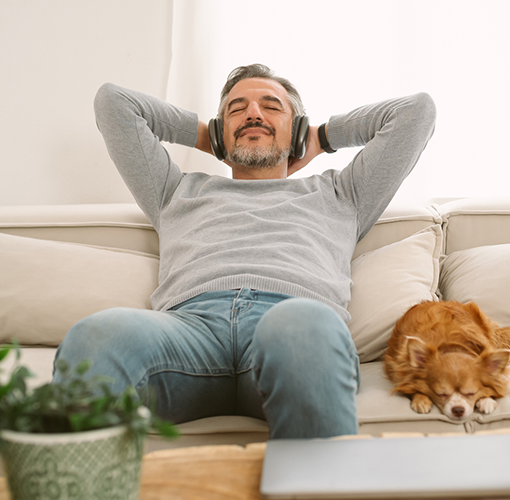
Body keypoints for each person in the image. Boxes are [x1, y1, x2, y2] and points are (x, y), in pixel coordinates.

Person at [55, 63, 436, 439]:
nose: (253, 113)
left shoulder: (343, 194)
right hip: (189, 333)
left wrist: (321, 137)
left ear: (298, 128)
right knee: (96, 336)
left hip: (291, 327)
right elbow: (114, 103)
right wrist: (206, 135)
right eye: (236, 110)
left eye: (271, 107)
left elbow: (416, 112)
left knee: (300, 325)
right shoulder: (174, 191)